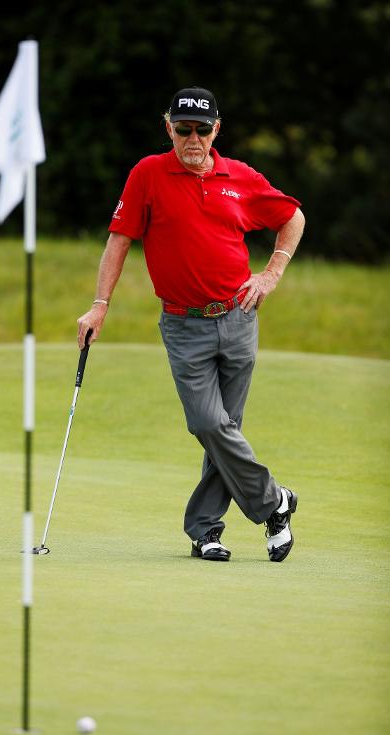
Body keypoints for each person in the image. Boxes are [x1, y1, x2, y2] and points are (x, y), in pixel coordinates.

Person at [77, 86, 305, 562]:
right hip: (184, 325)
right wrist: (100, 304)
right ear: (169, 129)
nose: (193, 138)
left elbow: (293, 217)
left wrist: (271, 273)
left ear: (216, 129)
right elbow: (119, 239)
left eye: (202, 129)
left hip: (238, 316)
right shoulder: (148, 174)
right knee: (208, 422)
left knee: (226, 428)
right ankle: (274, 503)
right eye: (184, 129)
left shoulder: (238, 176)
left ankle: (205, 531)